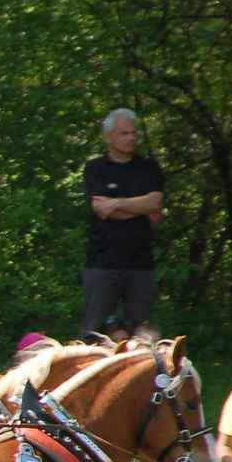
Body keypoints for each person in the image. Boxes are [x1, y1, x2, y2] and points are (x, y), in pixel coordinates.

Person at [82, 108, 164, 339]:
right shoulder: (95, 169)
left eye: (133, 133)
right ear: (108, 137)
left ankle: (141, 373)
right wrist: (140, 208)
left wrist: (116, 203)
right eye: (123, 133)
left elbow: (155, 201)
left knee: (142, 331)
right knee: (94, 330)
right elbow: (103, 211)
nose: (130, 138)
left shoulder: (149, 168)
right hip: (103, 261)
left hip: (140, 263)